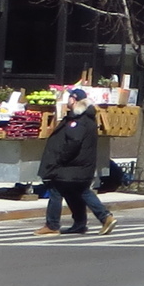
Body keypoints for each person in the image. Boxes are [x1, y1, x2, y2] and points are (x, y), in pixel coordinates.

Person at [35, 91, 115, 236]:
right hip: (79, 167)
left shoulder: (77, 121)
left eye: (69, 98)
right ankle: (82, 222)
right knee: (76, 191)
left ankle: (52, 225)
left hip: (72, 165)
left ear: (74, 100)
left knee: (57, 190)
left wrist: (60, 158)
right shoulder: (86, 119)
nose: (67, 101)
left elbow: (74, 142)